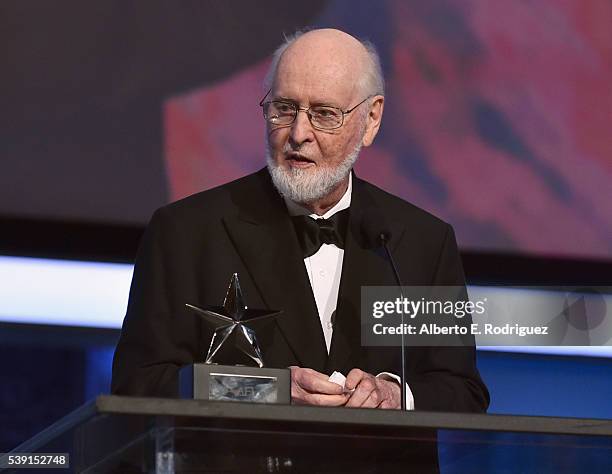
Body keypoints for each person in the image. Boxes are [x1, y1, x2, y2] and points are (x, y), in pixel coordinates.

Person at [111, 28, 489, 412]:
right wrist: (264, 389)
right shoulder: (186, 233)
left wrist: (396, 395)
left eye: (324, 114)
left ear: (371, 119)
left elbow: (462, 391)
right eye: (284, 108)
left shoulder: (421, 243)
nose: (298, 134)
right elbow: (139, 385)